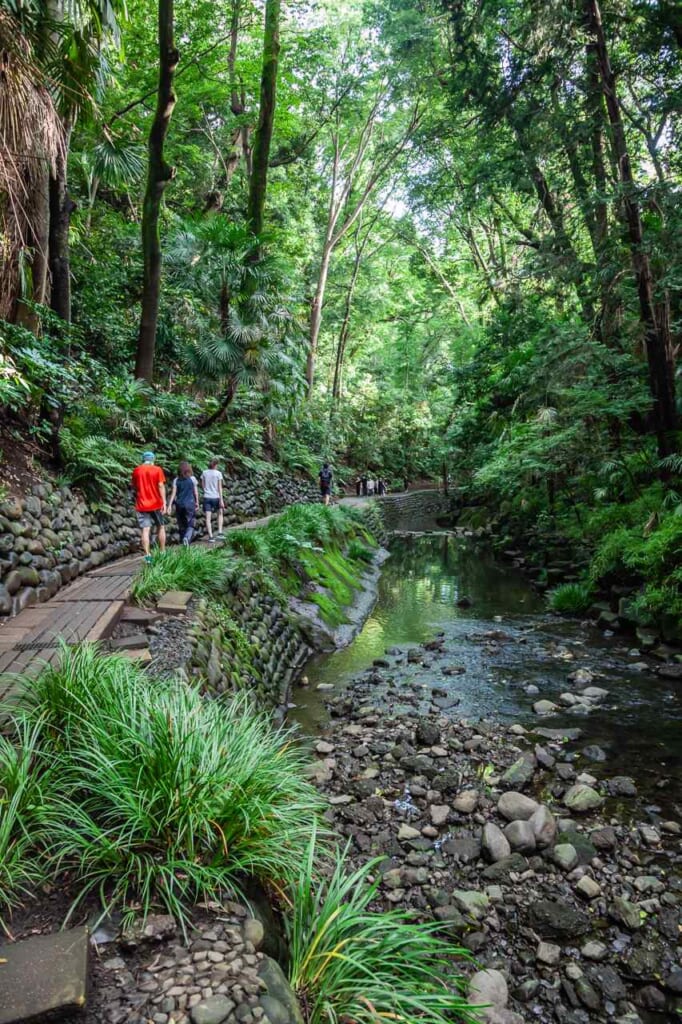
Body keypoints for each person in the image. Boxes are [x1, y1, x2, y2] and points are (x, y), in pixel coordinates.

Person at [131, 451, 166, 563]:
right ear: (153, 459)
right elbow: (160, 485)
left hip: (142, 504)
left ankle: (148, 556)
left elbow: (135, 486)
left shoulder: (137, 470)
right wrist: (164, 502)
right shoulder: (157, 469)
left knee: (145, 530)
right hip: (156, 503)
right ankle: (162, 551)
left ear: (143, 459)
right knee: (161, 526)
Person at [167, 461, 199, 546]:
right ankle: (187, 538)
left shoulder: (176, 480)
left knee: (181, 524)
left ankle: (183, 543)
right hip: (190, 503)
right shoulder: (192, 479)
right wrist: (197, 502)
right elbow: (195, 493)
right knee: (191, 523)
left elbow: (173, 494)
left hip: (179, 504)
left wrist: (170, 505)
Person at [201, 458, 225, 542]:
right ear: (215, 465)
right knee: (220, 513)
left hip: (207, 497)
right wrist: (221, 500)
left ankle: (211, 536)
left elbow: (203, 485)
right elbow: (220, 488)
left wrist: (206, 492)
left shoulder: (204, 473)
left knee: (208, 518)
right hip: (216, 497)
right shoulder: (218, 474)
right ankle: (220, 532)